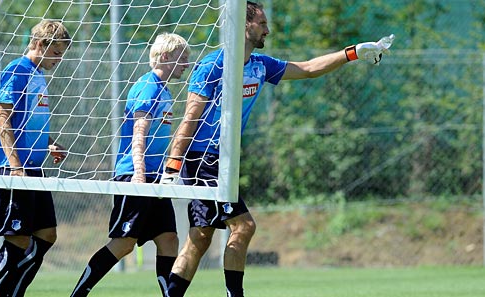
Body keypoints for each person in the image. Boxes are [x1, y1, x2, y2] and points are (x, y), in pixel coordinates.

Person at [160, 1, 394, 296]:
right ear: (243, 26)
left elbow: (308, 69)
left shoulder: (260, 65)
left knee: (200, 238)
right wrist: (173, 166)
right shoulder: (212, 66)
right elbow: (189, 117)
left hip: (223, 160)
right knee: (244, 227)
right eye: (262, 23)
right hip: (204, 158)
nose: (267, 30)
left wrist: (353, 52)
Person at [70, 32, 190, 297]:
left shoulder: (164, 90)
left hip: (154, 178)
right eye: (183, 59)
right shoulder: (148, 86)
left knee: (169, 239)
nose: (187, 65)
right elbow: (139, 132)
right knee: (123, 244)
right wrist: (138, 173)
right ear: (166, 57)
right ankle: (77, 294)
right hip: (134, 176)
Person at [0, 20, 70, 297]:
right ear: (39, 44)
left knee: (47, 234)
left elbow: (28, 121)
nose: (59, 60)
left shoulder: (38, 75)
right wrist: (15, 167)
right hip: (14, 170)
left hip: (34, 168)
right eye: (57, 53)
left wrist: (48, 142)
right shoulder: (16, 70)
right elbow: (3, 118)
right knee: (17, 241)